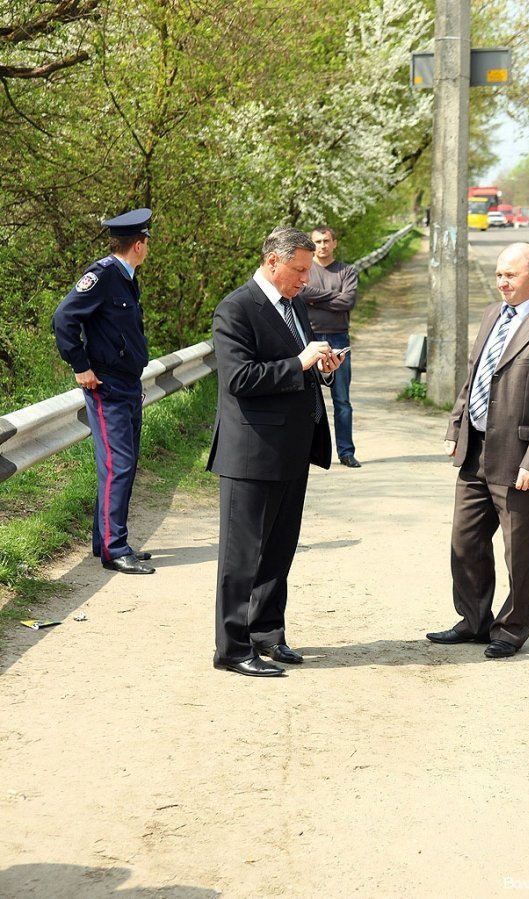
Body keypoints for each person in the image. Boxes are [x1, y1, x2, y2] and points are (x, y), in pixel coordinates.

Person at [426, 242, 529, 659]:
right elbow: (474, 376)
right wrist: (456, 424)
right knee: (465, 541)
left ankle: (511, 630)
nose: (502, 283)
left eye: (510, 275)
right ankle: (474, 620)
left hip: (519, 460)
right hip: (475, 450)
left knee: (521, 552)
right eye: (498, 275)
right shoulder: (492, 315)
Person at [207, 227, 344, 677]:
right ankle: (231, 648)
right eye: (299, 270)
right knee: (241, 557)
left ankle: (267, 633)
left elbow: (297, 366)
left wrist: (321, 369)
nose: (307, 278)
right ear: (272, 262)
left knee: (278, 552)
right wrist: (300, 362)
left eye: (308, 270)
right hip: (250, 452)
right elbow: (239, 379)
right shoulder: (236, 308)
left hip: (292, 447)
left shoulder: (295, 303)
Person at [52, 208, 155, 575]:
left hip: (126, 383)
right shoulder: (103, 276)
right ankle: (115, 549)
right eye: (148, 242)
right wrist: (80, 366)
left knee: (120, 466)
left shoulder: (125, 278)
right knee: (118, 466)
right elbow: (64, 318)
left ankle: (107, 540)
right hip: (106, 385)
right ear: (139, 245)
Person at [300, 226, 361, 468]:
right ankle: (304, 452)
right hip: (310, 338)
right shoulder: (305, 268)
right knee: (305, 398)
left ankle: (346, 452)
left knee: (342, 400)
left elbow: (348, 301)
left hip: (338, 339)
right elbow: (301, 294)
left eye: (327, 240)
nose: (322, 245)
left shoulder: (346, 271)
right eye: (317, 241)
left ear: (335, 243)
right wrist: (331, 296)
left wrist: (316, 298)